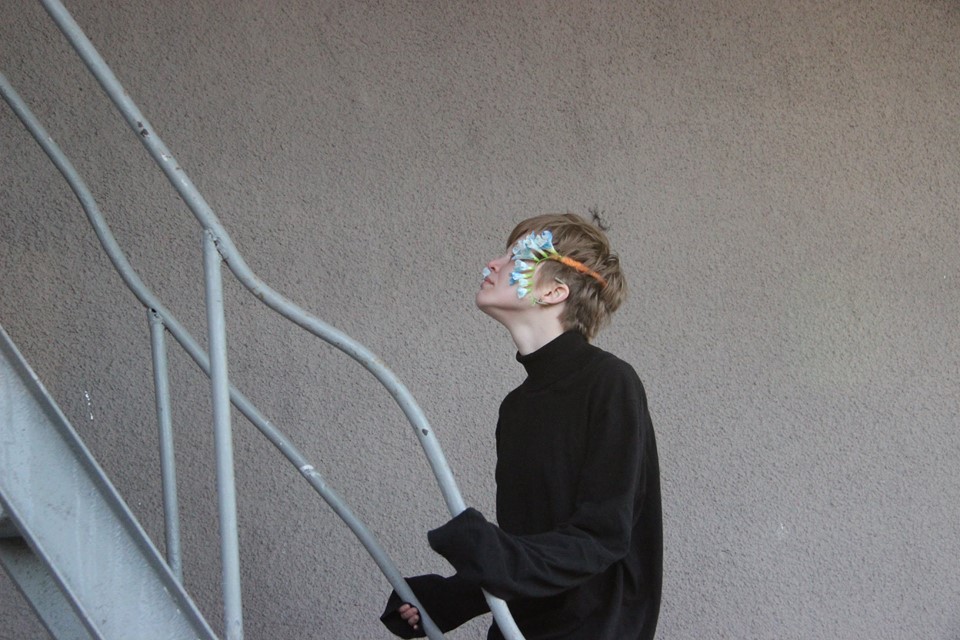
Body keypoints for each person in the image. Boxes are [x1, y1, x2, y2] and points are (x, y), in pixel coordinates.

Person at [381, 213, 662, 639]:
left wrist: (488, 551)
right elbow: (532, 553)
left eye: (515, 257)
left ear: (554, 290)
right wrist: (442, 600)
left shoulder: (610, 383)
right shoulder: (516, 407)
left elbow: (600, 538)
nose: (492, 264)